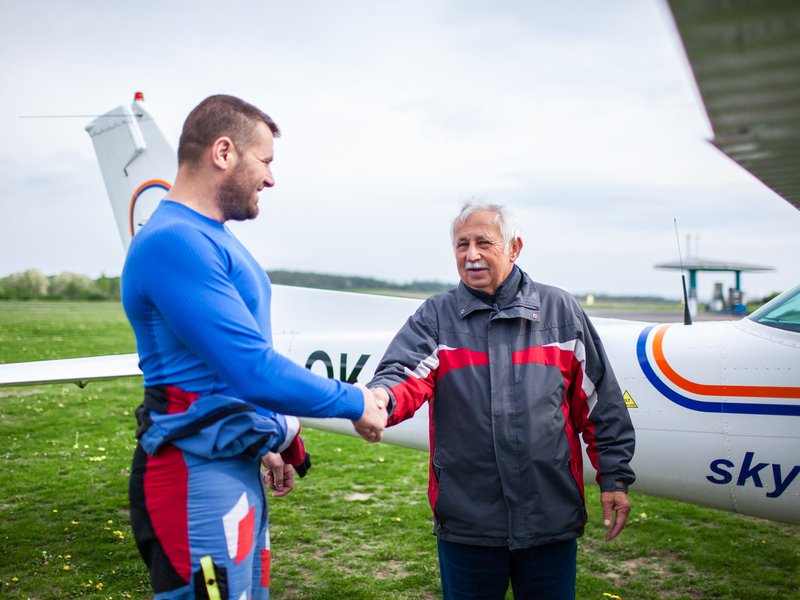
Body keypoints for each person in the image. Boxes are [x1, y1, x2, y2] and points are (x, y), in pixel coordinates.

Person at [121, 94, 387, 600]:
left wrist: (271, 435)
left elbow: (223, 367)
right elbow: (251, 368)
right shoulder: (172, 240)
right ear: (224, 152)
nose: (270, 178)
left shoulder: (210, 236)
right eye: (265, 161)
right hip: (192, 478)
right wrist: (356, 402)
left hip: (228, 465)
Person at [368, 201, 635, 599]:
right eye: (461, 244)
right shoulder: (437, 316)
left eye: (483, 242)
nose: (471, 254)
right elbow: (404, 375)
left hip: (550, 517)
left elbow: (600, 404)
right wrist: (380, 400)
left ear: (514, 247)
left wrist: (614, 476)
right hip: (468, 523)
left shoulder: (561, 311)